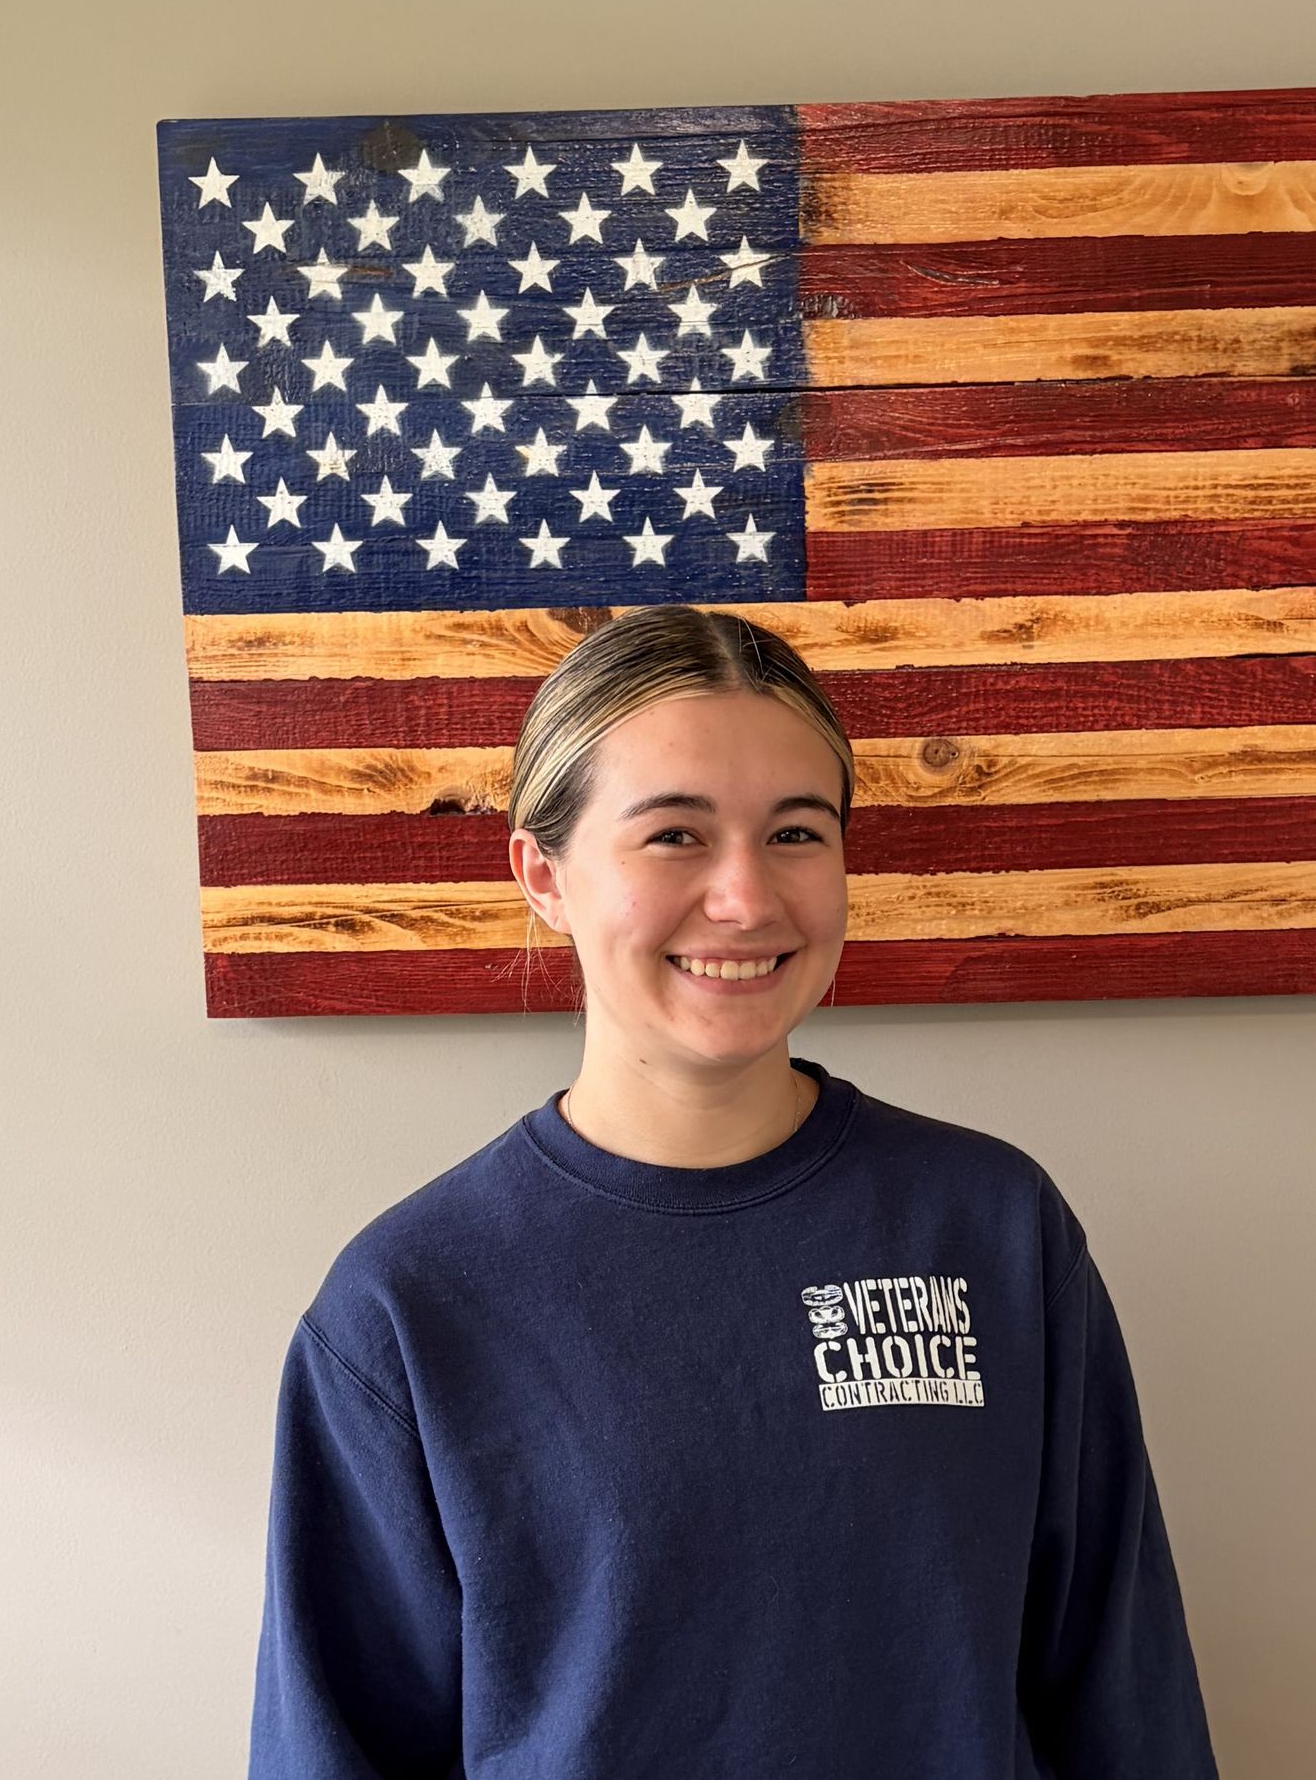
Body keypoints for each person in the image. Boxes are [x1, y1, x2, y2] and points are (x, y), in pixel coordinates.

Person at [246, 604, 1219, 1777]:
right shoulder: (406, 1306)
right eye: (674, 836)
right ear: (543, 875)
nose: (747, 898)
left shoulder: (995, 1231)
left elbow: (1127, 1701)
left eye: (798, 833)